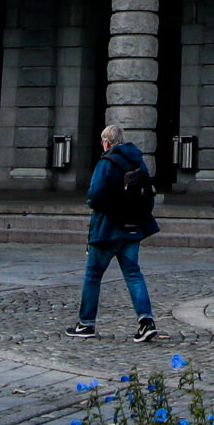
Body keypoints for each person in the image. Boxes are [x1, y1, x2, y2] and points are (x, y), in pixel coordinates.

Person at [67, 124, 158, 342]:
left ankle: (86, 324)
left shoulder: (106, 163)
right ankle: (146, 322)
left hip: (106, 229)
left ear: (107, 143)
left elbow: (94, 195)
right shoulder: (138, 161)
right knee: (134, 275)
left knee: (93, 276)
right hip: (132, 227)